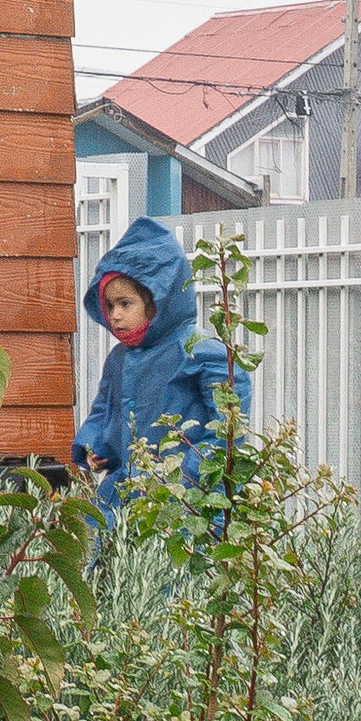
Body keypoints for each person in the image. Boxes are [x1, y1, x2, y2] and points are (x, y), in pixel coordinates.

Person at [73, 215, 238, 518]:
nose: (115, 315)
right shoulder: (120, 357)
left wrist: (191, 472)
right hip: (124, 491)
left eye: (125, 303)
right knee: (104, 551)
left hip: (187, 498)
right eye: (109, 306)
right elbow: (104, 410)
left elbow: (228, 424)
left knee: (178, 558)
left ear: (158, 299)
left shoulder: (198, 350)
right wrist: (94, 448)